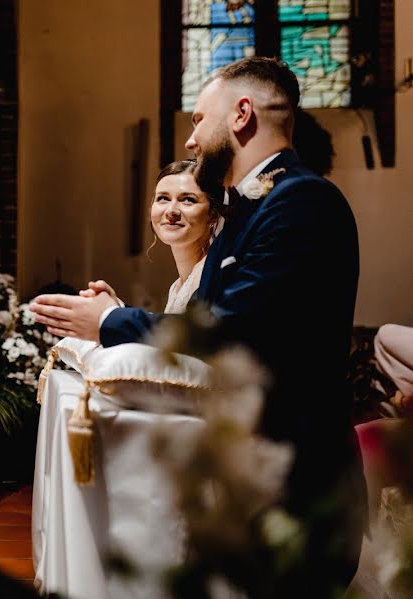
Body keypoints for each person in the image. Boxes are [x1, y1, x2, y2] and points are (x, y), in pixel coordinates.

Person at [31, 57, 365, 591]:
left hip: (295, 486)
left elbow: (233, 332)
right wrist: (114, 319)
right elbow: (209, 321)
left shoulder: (301, 201)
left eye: (197, 119)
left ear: (241, 114)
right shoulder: (251, 207)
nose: (190, 141)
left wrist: (113, 322)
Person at [145, 160, 218, 313]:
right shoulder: (177, 286)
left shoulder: (212, 276)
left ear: (213, 213)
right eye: (163, 198)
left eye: (188, 200)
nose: (171, 211)